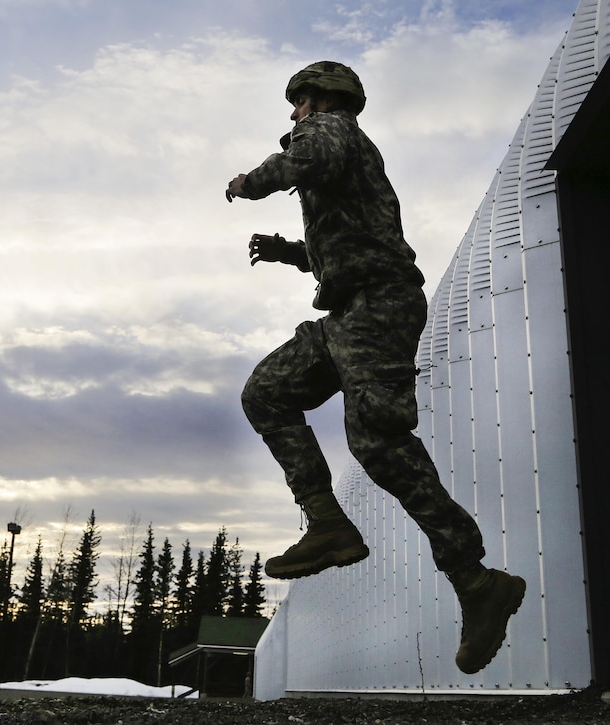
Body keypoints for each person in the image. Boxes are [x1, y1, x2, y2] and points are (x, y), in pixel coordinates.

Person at [225, 60, 526, 675]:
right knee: (267, 393)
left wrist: (249, 181)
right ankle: (329, 523)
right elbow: (351, 241)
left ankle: (476, 580)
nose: (293, 115)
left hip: (379, 306)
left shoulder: (332, 131)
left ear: (322, 99)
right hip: (348, 310)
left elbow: (304, 157)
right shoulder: (345, 159)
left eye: (298, 103)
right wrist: (291, 253)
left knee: (378, 441)